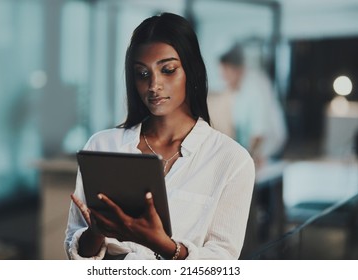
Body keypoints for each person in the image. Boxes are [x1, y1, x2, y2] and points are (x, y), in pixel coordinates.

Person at [64, 13, 255, 260]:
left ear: (191, 71)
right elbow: (75, 253)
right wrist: (96, 232)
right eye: (143, 74)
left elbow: (222, 262)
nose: (154, 85)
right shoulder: (103, 145)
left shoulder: (231, 160)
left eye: (168, 70)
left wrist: (164, 245)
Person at [218, 45, 287, 167]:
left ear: (237, 70)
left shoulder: (255, 86)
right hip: (251, 153)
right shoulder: (236, 90)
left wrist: (248, 161)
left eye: (226, 74)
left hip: (269, 152)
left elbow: (259, 133)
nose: (223, 79)